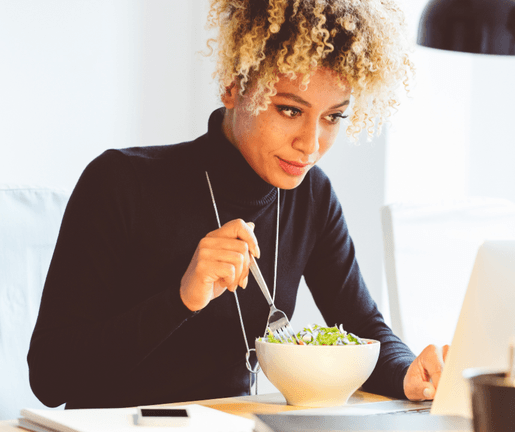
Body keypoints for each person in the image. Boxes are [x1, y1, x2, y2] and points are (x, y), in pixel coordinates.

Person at [27, 0, 449, 410]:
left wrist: (407, 372)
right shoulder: (120, 181)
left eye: (333, 117)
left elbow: (361, 326)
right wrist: (180, 299)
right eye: (289, 109)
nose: (311, 144)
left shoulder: (311, 196)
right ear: (233, 85)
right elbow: (50, 376)